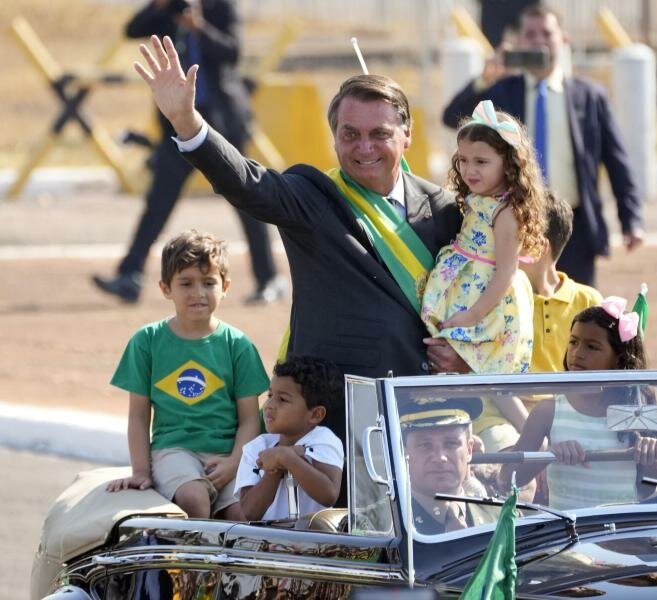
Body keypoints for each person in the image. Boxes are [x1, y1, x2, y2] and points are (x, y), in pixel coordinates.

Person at [131, 37, 462, 447]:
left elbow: (478, 298)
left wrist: (462, 354)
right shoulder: (312, 196)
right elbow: (248, 184)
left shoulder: (445, 208)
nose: (364, 147)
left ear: (407, 135)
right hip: (332, 410)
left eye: (380, 133)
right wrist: (187, 122)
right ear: (334, 137)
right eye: (350, 134)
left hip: (419, 410)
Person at [92, 0, 286, 304]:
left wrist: (200, 28)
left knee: (247, 199)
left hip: (221, 122)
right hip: (178, 124)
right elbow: (132, 30)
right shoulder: (169, 9)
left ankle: (269, 278)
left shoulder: (221, 6)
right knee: (158, 201)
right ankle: (129, 276)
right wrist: (159, 5)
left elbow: (233, 52)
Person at [442, 2, 643, 286]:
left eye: (546, 33)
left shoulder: (590, 97)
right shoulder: (503, 91)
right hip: (514, 222)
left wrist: (631, 219)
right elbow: (452, 117)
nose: (538, 40)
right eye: (530, 34)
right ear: (519, 42)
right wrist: (485, 78)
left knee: (575, 313)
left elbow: (617, 160)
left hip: (574, 225)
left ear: (563, 39)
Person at [106, 230, 269, 519]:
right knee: (194, 499)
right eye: (186, 283)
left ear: (225, 286)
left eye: (209, 283)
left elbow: (249, 418)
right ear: (166, 288)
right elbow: (138, 416)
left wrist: (234, 462)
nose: (198, 293)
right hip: (174, 452)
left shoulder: (239, 346)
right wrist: (141, 471)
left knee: (244, 517)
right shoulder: (146, 341)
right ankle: (193, 565)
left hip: (228, 454)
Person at [421, 100, 545, 375]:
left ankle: (519, 419)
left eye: (481, 162)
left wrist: (473, 315)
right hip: (466, 290)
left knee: (487, 373)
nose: (469, 170)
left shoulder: (506, 212)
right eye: (463, 160)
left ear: (509, 164)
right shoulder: (480, 198)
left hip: (487, 302)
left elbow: (506, 271)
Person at [501, 300, 657, 509]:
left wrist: (650, 456)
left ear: (618, 359)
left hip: (620, 535)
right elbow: (507, 479)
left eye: (592, 347)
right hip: (567, 535)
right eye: (573, 342)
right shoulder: (548, 411)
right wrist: (548, 455)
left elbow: (647, 488)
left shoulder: (637, 409)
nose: (578, 353)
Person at [234, 356, 344, 522]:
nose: (269, 404)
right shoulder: (256, 448)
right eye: (270, 394)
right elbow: (250, 512)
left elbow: (328, 495)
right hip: (266, 542)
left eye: (282, 399)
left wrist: (286, 458)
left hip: (312, 542)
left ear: (315, 414)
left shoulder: (324, 440)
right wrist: (275, 467)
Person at [521, 190, 603, 372]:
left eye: (511, 238)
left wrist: (555, 402)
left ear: (538, 247)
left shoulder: (589, 301)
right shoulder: (498, 298)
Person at [400, 395, 499, 534]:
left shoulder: (501, 519)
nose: (440, 458)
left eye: (451, 444)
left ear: (469, 450)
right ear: (404, 453)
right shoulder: (380, 526)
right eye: (425, 445)